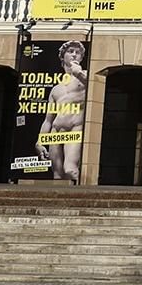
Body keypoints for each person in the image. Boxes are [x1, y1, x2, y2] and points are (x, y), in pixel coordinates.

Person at [39, 40, 89, 184]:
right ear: (63, 56)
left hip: (75, 128)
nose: (74, 55)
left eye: (77, 53)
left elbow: (94, 87)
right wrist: (40, 140)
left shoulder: (84, 75)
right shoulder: (56, 88)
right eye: (70, 51)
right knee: (57, 174)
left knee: (70, 169)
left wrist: (78, 73)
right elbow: (48, 119)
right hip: (56, 131)